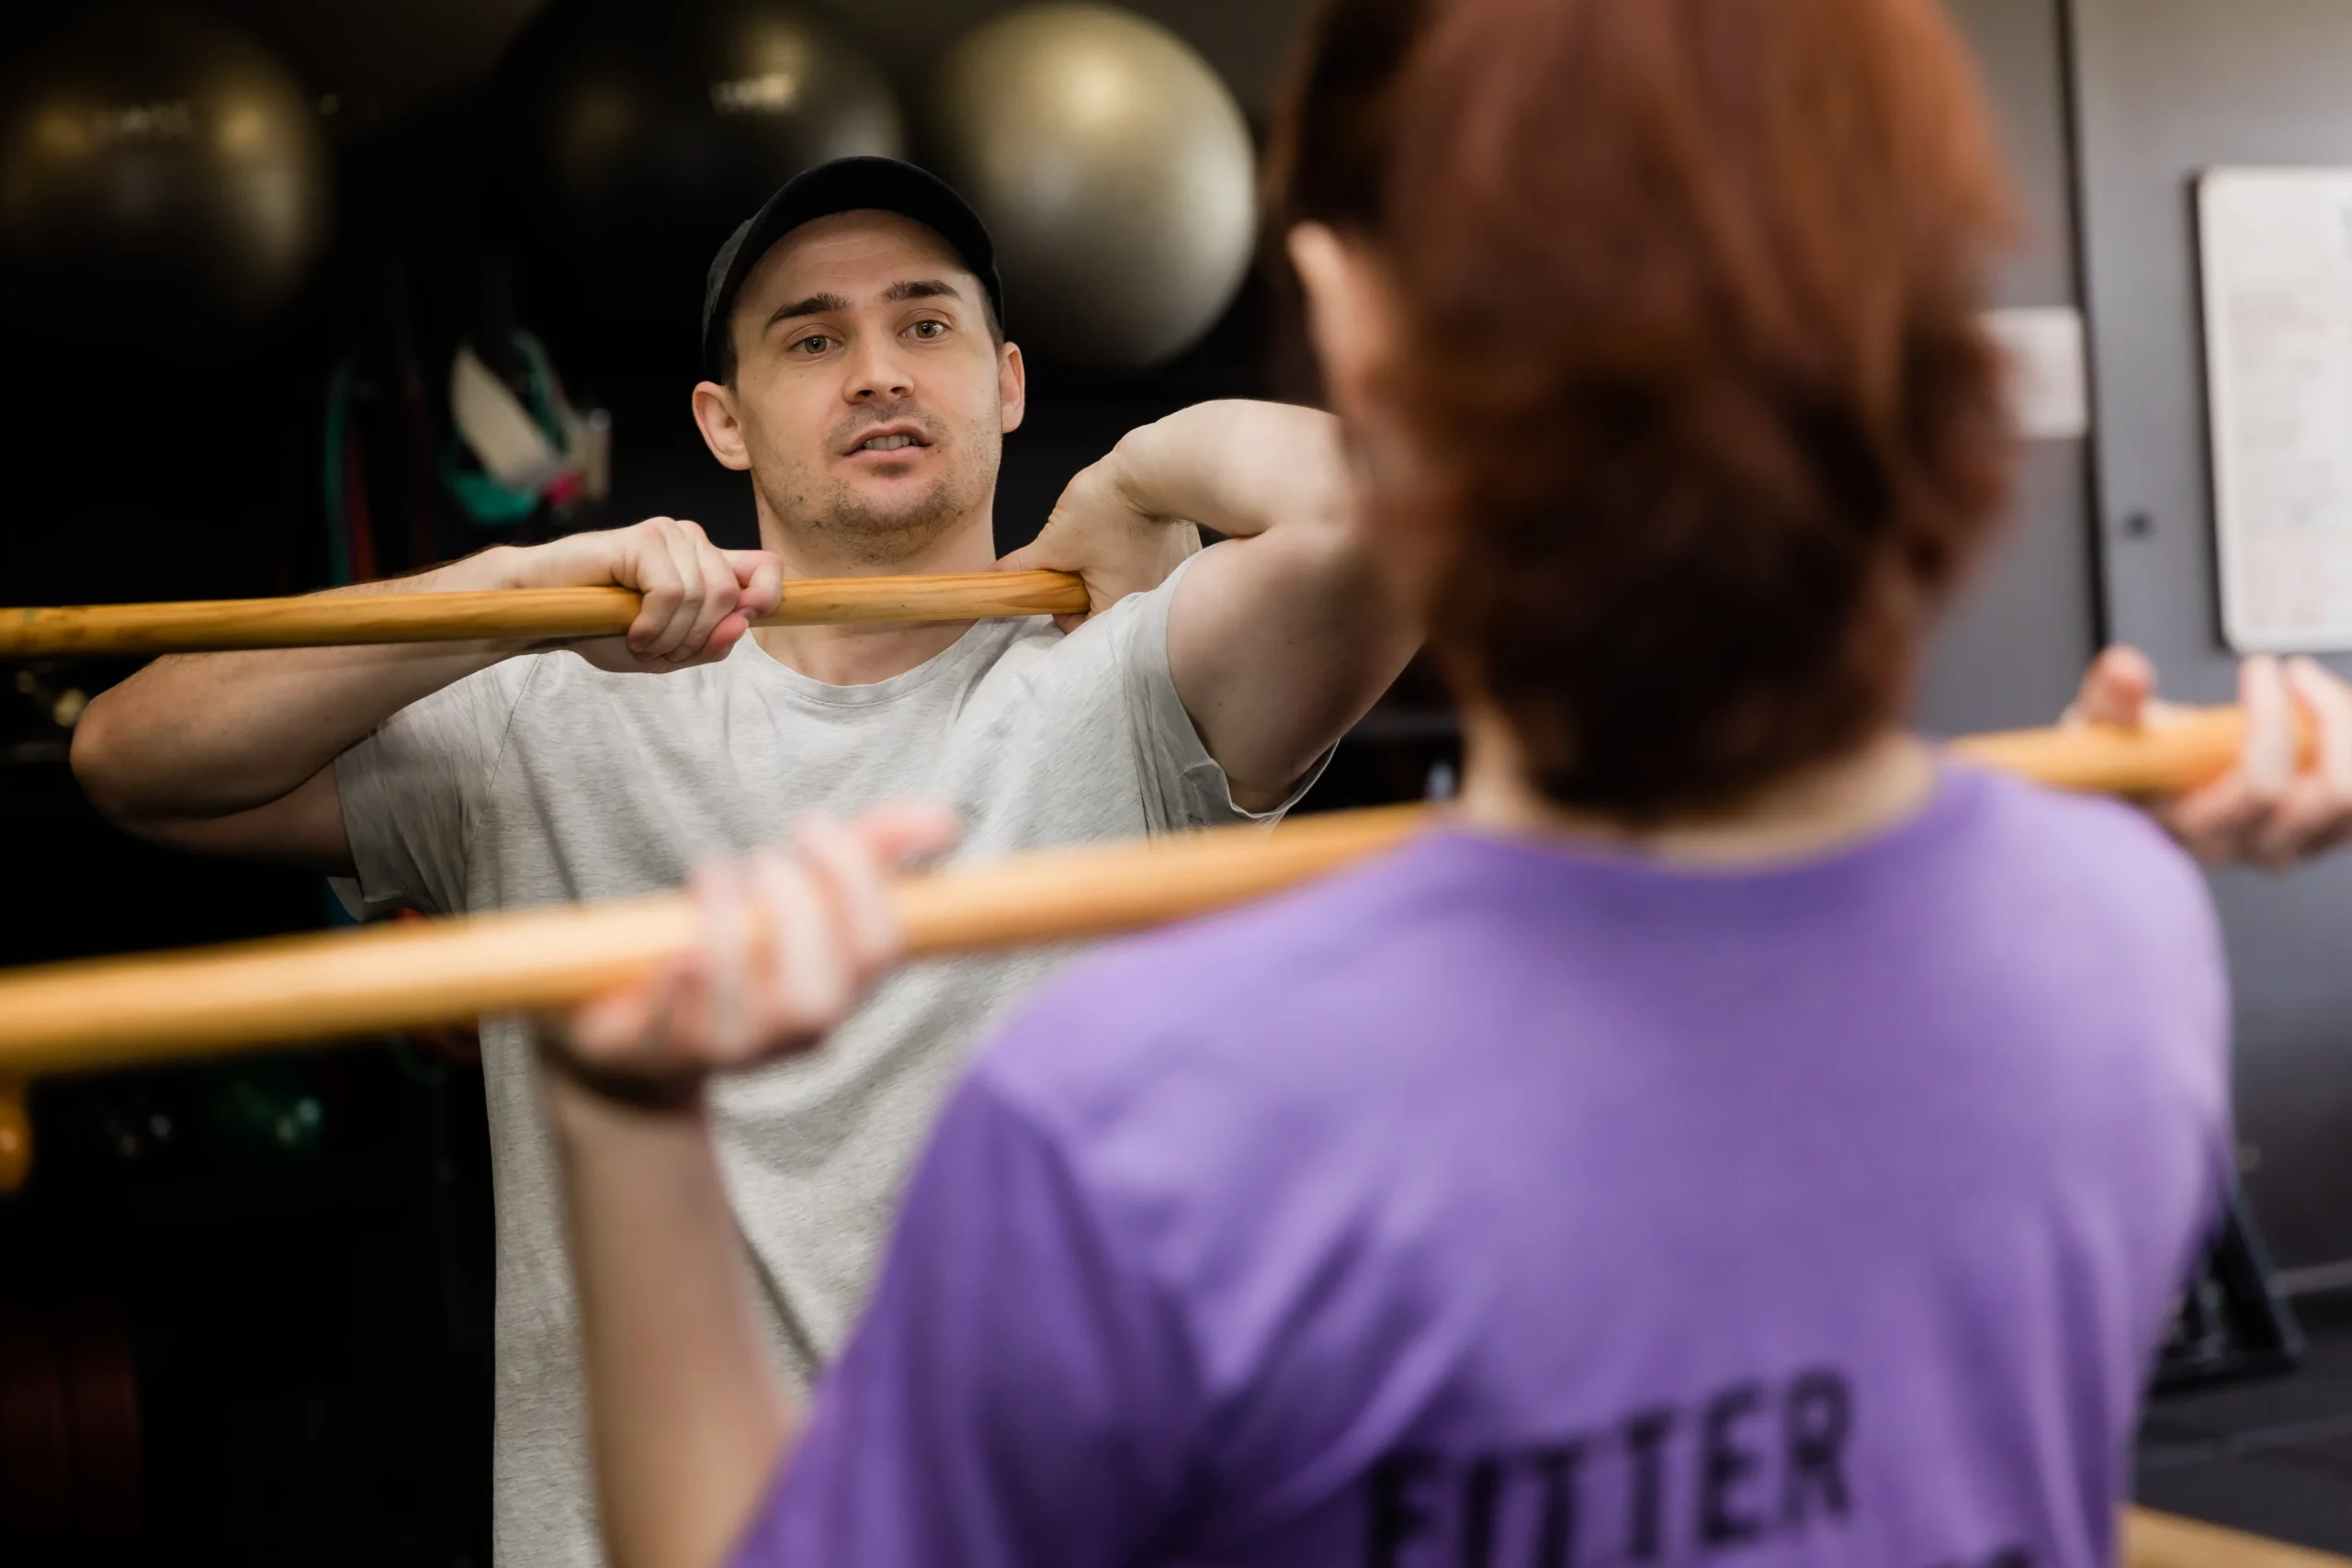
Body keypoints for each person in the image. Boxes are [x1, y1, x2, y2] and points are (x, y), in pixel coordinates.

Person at [536, 1, 2296, 1565]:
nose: (875, 375)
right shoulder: (2121, 923)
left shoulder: (1137, 1118)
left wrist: (629, 1124)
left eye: (920, 328)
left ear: (1349, 331)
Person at [68, 158, 1416, 1566]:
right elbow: (133, 760)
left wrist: (1137, 470)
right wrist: (513, 591)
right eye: (813, 338)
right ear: (724, 420)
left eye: (927, 324)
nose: (879, 371)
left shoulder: (1123, 681)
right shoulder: (551, 704)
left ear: (1008, 383)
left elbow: (1402, 511)